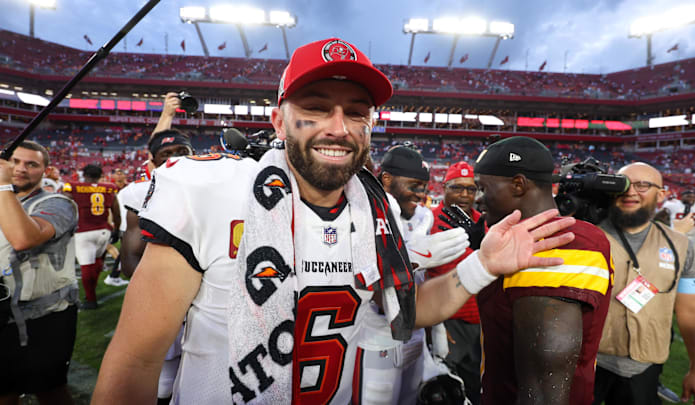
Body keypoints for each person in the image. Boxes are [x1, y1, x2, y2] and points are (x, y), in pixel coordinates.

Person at [92, 37, 576, 404]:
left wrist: (483, 266)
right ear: (279, 121)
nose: (339, 127)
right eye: (317, 108)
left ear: (370, 126)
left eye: (356, 112)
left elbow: (403, 313)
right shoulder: (214, 194)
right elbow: (136, 359)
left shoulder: (375, 206)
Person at [471, 136, 614, 405]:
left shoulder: (558, 244)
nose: (478, 200)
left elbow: (543, 392)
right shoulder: (519, 239)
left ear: (518, 184)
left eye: (483, 188)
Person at [356, 146, 470, 404]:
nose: (421, 194)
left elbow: (421, 282)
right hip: (377, 336)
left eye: (424, 186)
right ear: (386, 179)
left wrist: (436, 329)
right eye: (414, 185)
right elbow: (360, 280)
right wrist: (408, 259)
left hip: (415, 334)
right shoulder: (364, 212)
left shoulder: (423, 217)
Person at [593, 162, 695, 405]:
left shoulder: (680, 245)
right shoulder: (586, 235)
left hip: (643, 367)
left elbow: (693, 312)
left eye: (642, 185)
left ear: (662, 194)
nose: (630, 191)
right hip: (585, 364)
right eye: (623, 183)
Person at [0, 141, 79, 405]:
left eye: (31, 164)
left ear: (45, 170)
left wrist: (2, 186)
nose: (21, 169)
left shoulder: (58, 203)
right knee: (4, 388)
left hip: (45, 315)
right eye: (15, 161)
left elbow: (24, 238)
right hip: (3, 310)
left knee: (49, 389)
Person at [117, 92, 193, 279]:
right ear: (154, 161)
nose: (175, 158)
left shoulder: (209, 181)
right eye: (166, 155)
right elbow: (131, 260)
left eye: (182, 152)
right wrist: (167, 115)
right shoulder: (141, 193)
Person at [427, 161, 484, 404]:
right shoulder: (427, 221)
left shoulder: (483, 222)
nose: (464, 195)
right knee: (444, 390)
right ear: (444, 187)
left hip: (480, 324)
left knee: (475, 387)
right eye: (457, 188)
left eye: (470, 189)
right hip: (445, 322)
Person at [63, 164, 119, 309]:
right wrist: (117, 229)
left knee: (86, 265)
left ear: (84, 174)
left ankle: (91, 299)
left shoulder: (72, 186)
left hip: (84, 230)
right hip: (104, 230)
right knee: (97, 261)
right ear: (101, 175)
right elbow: (116, 210)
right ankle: (91, 292)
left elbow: (64, 203)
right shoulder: (109, 188)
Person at [661, 189, 695, 254]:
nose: (691, 198)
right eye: (688, 196)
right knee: (674, 254)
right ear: (681, 197)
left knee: (693, 256)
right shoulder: (673, 204)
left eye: (694, 197)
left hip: (694, 237)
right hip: (676, 235)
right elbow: (658, 216)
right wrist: (671, 224)